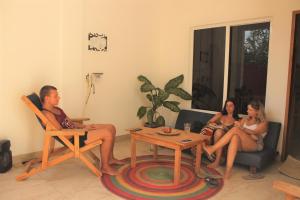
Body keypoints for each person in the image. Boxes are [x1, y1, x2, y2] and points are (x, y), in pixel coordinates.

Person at [39, 85, 125, 175]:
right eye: (55, 96)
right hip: (75, 138)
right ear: (47, 98)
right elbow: (62, 133)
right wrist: (82, 131)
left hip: (78, 131)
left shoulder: (56, 109)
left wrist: (84, 127)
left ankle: (110, 159)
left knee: (111, 127)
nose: (59, 97)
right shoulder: (47, 115)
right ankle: (105, 167)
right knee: (107, 133)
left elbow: (70, 123)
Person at [203, 100, 268, 179]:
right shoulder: (245, 120)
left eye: (250, 110)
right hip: (243, 143)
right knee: (235, 137)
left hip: (255, 144)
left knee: (236, 130)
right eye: (248, 109)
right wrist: (235, 127)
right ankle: (228, 172)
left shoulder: (263, 123)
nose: (247, 111)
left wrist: (241, 128)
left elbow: (255, 133)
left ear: (257, 111)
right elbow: (236, 130)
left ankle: (212, 148)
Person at [205, 98, 239, 168]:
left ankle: (217, 160)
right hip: (212, 138)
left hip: (223, 144)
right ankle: (211, 154)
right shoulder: (220, 115)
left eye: (231, 106)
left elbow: (233, 133)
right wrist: (218, 125)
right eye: (227, 105)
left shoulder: (237, 120)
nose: (228, 108)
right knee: (217, 131)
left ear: (235, 107)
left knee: (219, 132)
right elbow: (208, 123)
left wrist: (225, 128)